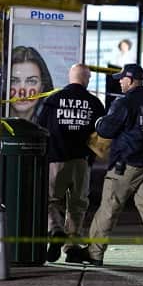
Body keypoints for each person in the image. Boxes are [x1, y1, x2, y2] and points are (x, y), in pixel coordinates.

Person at [83, 64, 143, 268]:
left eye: (122, 79)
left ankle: (94, 253)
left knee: (108, 208)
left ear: (131, 79)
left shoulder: (123, 102)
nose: (120, 82)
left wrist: (98, 122)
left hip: (125, 163)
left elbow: (106, 130)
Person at [36, 64, 105, 263]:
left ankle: (55, 230)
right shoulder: (93, 102)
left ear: (69, 77)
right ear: (87, 79)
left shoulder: (53, 99)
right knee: (77, 205)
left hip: (55, 160)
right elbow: (101, 135)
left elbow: (41, 128)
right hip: (81, 161)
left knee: (49, 200)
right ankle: (72, 247)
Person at [11, 46, 53, 121]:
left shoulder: (53, 127)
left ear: (42, 87)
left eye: (31, 81)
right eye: (14, 81)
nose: (22, 91)